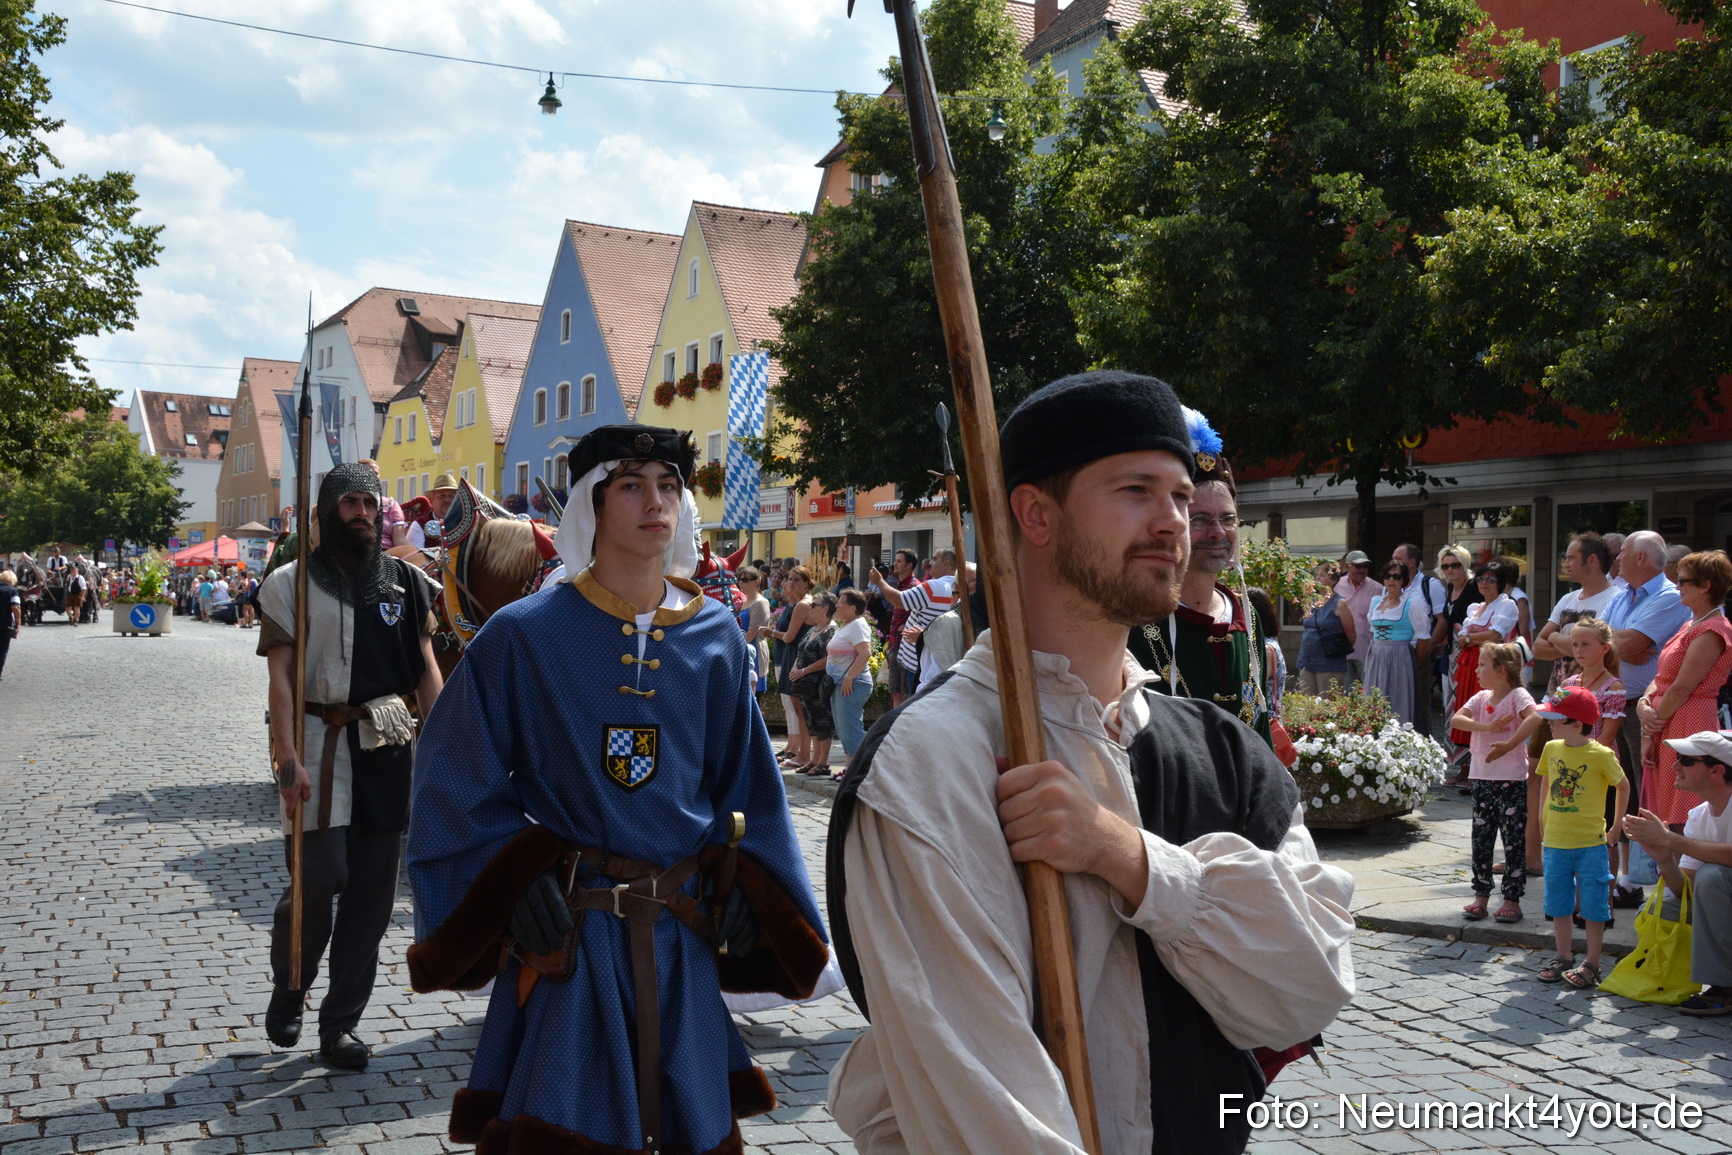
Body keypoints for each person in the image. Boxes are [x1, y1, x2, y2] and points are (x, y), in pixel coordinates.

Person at [826, 371, 1355, 1154]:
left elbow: (1304, 987)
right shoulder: (928, 764)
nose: (1173, 521)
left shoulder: (1221, 750)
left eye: (1180, 495)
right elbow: (982, 1098)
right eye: (1135, 490)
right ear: (1036, 513)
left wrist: (1126, 856)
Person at [405, 423, 829, 1153]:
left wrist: (750, 891)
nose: (654, 501)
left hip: (682, 937)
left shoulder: (718, 636)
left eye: (668, 485)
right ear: (590, 506)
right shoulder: (524, 635)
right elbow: (452, 775)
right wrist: (515, 873)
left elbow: (750, 790)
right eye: (630, 484)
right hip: (577, 940)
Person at [257, 463, 444, 1069]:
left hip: (386, 747)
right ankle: (291, 983)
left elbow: (423, 670)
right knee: (316, 882)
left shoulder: (408, 586)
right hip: (316, 744)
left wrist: (440, 746)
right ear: (328, 511)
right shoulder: (291, 584)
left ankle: (339, 1026)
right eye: (350, 504)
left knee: (370, 901)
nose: (362, 513)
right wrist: (286, 756)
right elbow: (280, 676)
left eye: (370, 503)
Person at [1127, 447, 1275, 746]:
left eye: (1229, 519)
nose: (1218, 532)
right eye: (1201, 519)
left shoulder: (1247, 616)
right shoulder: (1133, 615)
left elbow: (1260, 729)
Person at [1624, 729, 1732, 1016]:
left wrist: (1671, 840)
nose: (1674, 766)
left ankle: (1723, 986)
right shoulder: (1699, 815)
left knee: (1712, 876)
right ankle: (1677, 977)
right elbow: (1686, 891)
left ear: (1716, 770)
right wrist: (1666, 860)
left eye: (1684, 760)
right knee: (1658, 909)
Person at [1531, 686, 1628, 989]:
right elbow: (1545, 786)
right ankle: (1563, 956)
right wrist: (1540, 819)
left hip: (1591, 843)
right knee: (1558, 903)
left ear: (1576, 724)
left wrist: (1616, 827)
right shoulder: (1552, 749)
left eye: (1556, 719)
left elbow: (1622, 786)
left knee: (1595, 905)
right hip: (1557, 842)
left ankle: (1593, 962)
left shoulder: (1601, 754)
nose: (1549, 723)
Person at [1636, 550, 1732, 826]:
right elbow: (1663, 675)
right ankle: (1670, 868)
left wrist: (1650, 726)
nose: (1676, 586)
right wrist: (1645, 704)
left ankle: (1683, 869)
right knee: (1666, 807)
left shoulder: (1713, 629)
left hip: (1688, 720)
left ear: (1705, 586)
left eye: (1683, 581)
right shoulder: (1690, 624)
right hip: (1667, 717)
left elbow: (1682, 687)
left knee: (1684, 809)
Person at [1605, 531, 1692, 821]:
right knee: (1620, 794)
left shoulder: (1668, 597)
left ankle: (1651, 863)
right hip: (1613, 706)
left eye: (1622, 552)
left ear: (1640, 557)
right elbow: (1585, 637)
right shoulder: (1621, 597)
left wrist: (1611, 646)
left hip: (1642, 711)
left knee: (1645, 792)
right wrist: (1623, 649)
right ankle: (1627, 866)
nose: (1616, 558)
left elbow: (1603, 641)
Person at [1451, 642, 1535, 924]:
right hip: (1482, 779)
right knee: (1482, 839)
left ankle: (1512, 899)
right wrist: (1487, 727)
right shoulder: (1480, 697)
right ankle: (1481, 895)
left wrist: (1510, 743)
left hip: (1510, 780)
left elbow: (1535, 718)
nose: (1476, 670)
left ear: (1500, 670)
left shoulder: (1518, 695)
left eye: (1482, 664)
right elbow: (1457, 719)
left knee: (1512, 841)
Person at [1448, 564, 1520, 753]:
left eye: (1490, 579)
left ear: (1500, 582)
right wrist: (1472, 639)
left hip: (1492, 665)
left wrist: (1470, 638)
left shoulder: (1506, 605)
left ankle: (1487, 756)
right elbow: (1461, 640)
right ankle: (1466, 767)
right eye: (1480, 579)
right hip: (1469, 664)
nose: (1484, 584)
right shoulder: (1475, 608)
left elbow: (1496, 635)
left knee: (1487, 708)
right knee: (1468, 708)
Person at [873, 548, 956, 700]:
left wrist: (879, 581)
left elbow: (898, 600)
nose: (930, 563)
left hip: (921, 665)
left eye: (935, 559)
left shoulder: (933, 586)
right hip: (934, 662)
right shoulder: (955, 588)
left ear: (946, 564)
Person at [1364, 560, 1432, 729]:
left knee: (1398, 698)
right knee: (1374, 697)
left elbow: (1423, 637)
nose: (1391, 580)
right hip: (1376, 655)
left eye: (1396, 576)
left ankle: (1400, 739)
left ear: (1404, 580)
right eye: (1387, 576)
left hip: (1400, 656)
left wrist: (1413, 662)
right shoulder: (1375, 602)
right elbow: (1373, 630)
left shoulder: (1412, 603)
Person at [1391, 543, 1447, 735]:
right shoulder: (1391, 585)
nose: (1393, 563)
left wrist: (1427, 651)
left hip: (1419, 651)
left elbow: (1442, 620)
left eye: (1398, 559)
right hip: (1394, 652)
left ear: (1412, 562)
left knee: (1420, 702)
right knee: (1395, 700)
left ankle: (1424, 744)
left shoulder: (1430, 585)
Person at [787, 592, 840, 776]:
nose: (810, 608)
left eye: (814, 605)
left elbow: (828, 658)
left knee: (822, 721)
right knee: (812, 722)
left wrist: (804, 671)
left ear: (825, 609)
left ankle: (823, 762)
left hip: (818, 683)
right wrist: (796, 669)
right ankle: (815, 759)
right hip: (805, 685)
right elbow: (802, 651)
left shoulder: (831, 630)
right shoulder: (814, 628)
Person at [770, 566, 816, 767]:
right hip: (794, 656)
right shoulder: (795, 603)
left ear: (806, 583)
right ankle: (801, 753)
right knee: (798, 709)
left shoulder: (802, 605)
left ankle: (804, 755)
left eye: (797, 580)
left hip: (799, 657)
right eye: (789, 579)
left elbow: (789, 636)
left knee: (801, 709)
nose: (791, 583)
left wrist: (768, 633)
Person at [865, 550, 918, 706]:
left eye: (899, 561)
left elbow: (917, 611)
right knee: (895, 690)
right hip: (895, 644)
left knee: (906, 692)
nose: (894, 564)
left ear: (909, 565)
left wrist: (909, 625)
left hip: (907, 646)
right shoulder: (899, 584)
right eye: (895, 560)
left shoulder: (914, 586)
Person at [828, 587, 876, 761]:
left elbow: (865, 653)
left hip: (853, 684)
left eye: (841, 603)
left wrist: (850, 677)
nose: (837, 606)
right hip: (839, 684)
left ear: (853, 607)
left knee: (851, 729)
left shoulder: (857, 625)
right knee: (844, 730)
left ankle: (862, 769)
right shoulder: (847, 625)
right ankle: (849, 769)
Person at [1436, 545, 1480, 715]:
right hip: (1451, 653)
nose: (1450, 569)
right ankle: (1451, 740)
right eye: (1445, 566)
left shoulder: (1474, 587)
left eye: (1455, 565)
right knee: (1450, 700)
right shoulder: (1450, 588)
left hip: (1471, 652)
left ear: (1464, 565)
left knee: (1466, 700)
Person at [1296, 562, 1350, 696]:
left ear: (1333, 580)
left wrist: (1335, 651)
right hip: (1307, 661)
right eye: (1317, 575)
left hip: (1329, 663)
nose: (1317, 578)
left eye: (1322, 575)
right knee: (1306, 705)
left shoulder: (1339, 603)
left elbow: (1351, 635)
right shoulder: (1311, 601)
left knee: (1327, 705)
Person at [1334, 551, 1376, 689]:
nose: (1362, 570)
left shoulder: (1377, 588)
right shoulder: (1336, 586)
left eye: (1365, 566)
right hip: (1341, 652)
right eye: (1358, 566)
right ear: (1347, 566)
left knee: (1370, 693)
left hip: (1366, 651)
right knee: (1344, 694)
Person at [736, 566, 772, 694]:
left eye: (745, 580)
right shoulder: (744, 601)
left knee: (754, 696)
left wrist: (734, 650)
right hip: (743, 649)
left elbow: (752, 632)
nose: (740, 583)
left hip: (753, 651)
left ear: (756, 582)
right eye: (739, 579)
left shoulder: (760, 602)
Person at [406, 473, 460, 551]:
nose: (447, 500)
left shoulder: (463, 523)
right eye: (442, 496)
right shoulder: (420, 525)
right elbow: (415, 556)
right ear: (432, 500)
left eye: (451, 496)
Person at [0, 569, 19, 681]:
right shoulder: (12, 591)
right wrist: (18, 622)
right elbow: (15, 607)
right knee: (2, 649)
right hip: (4, 624)